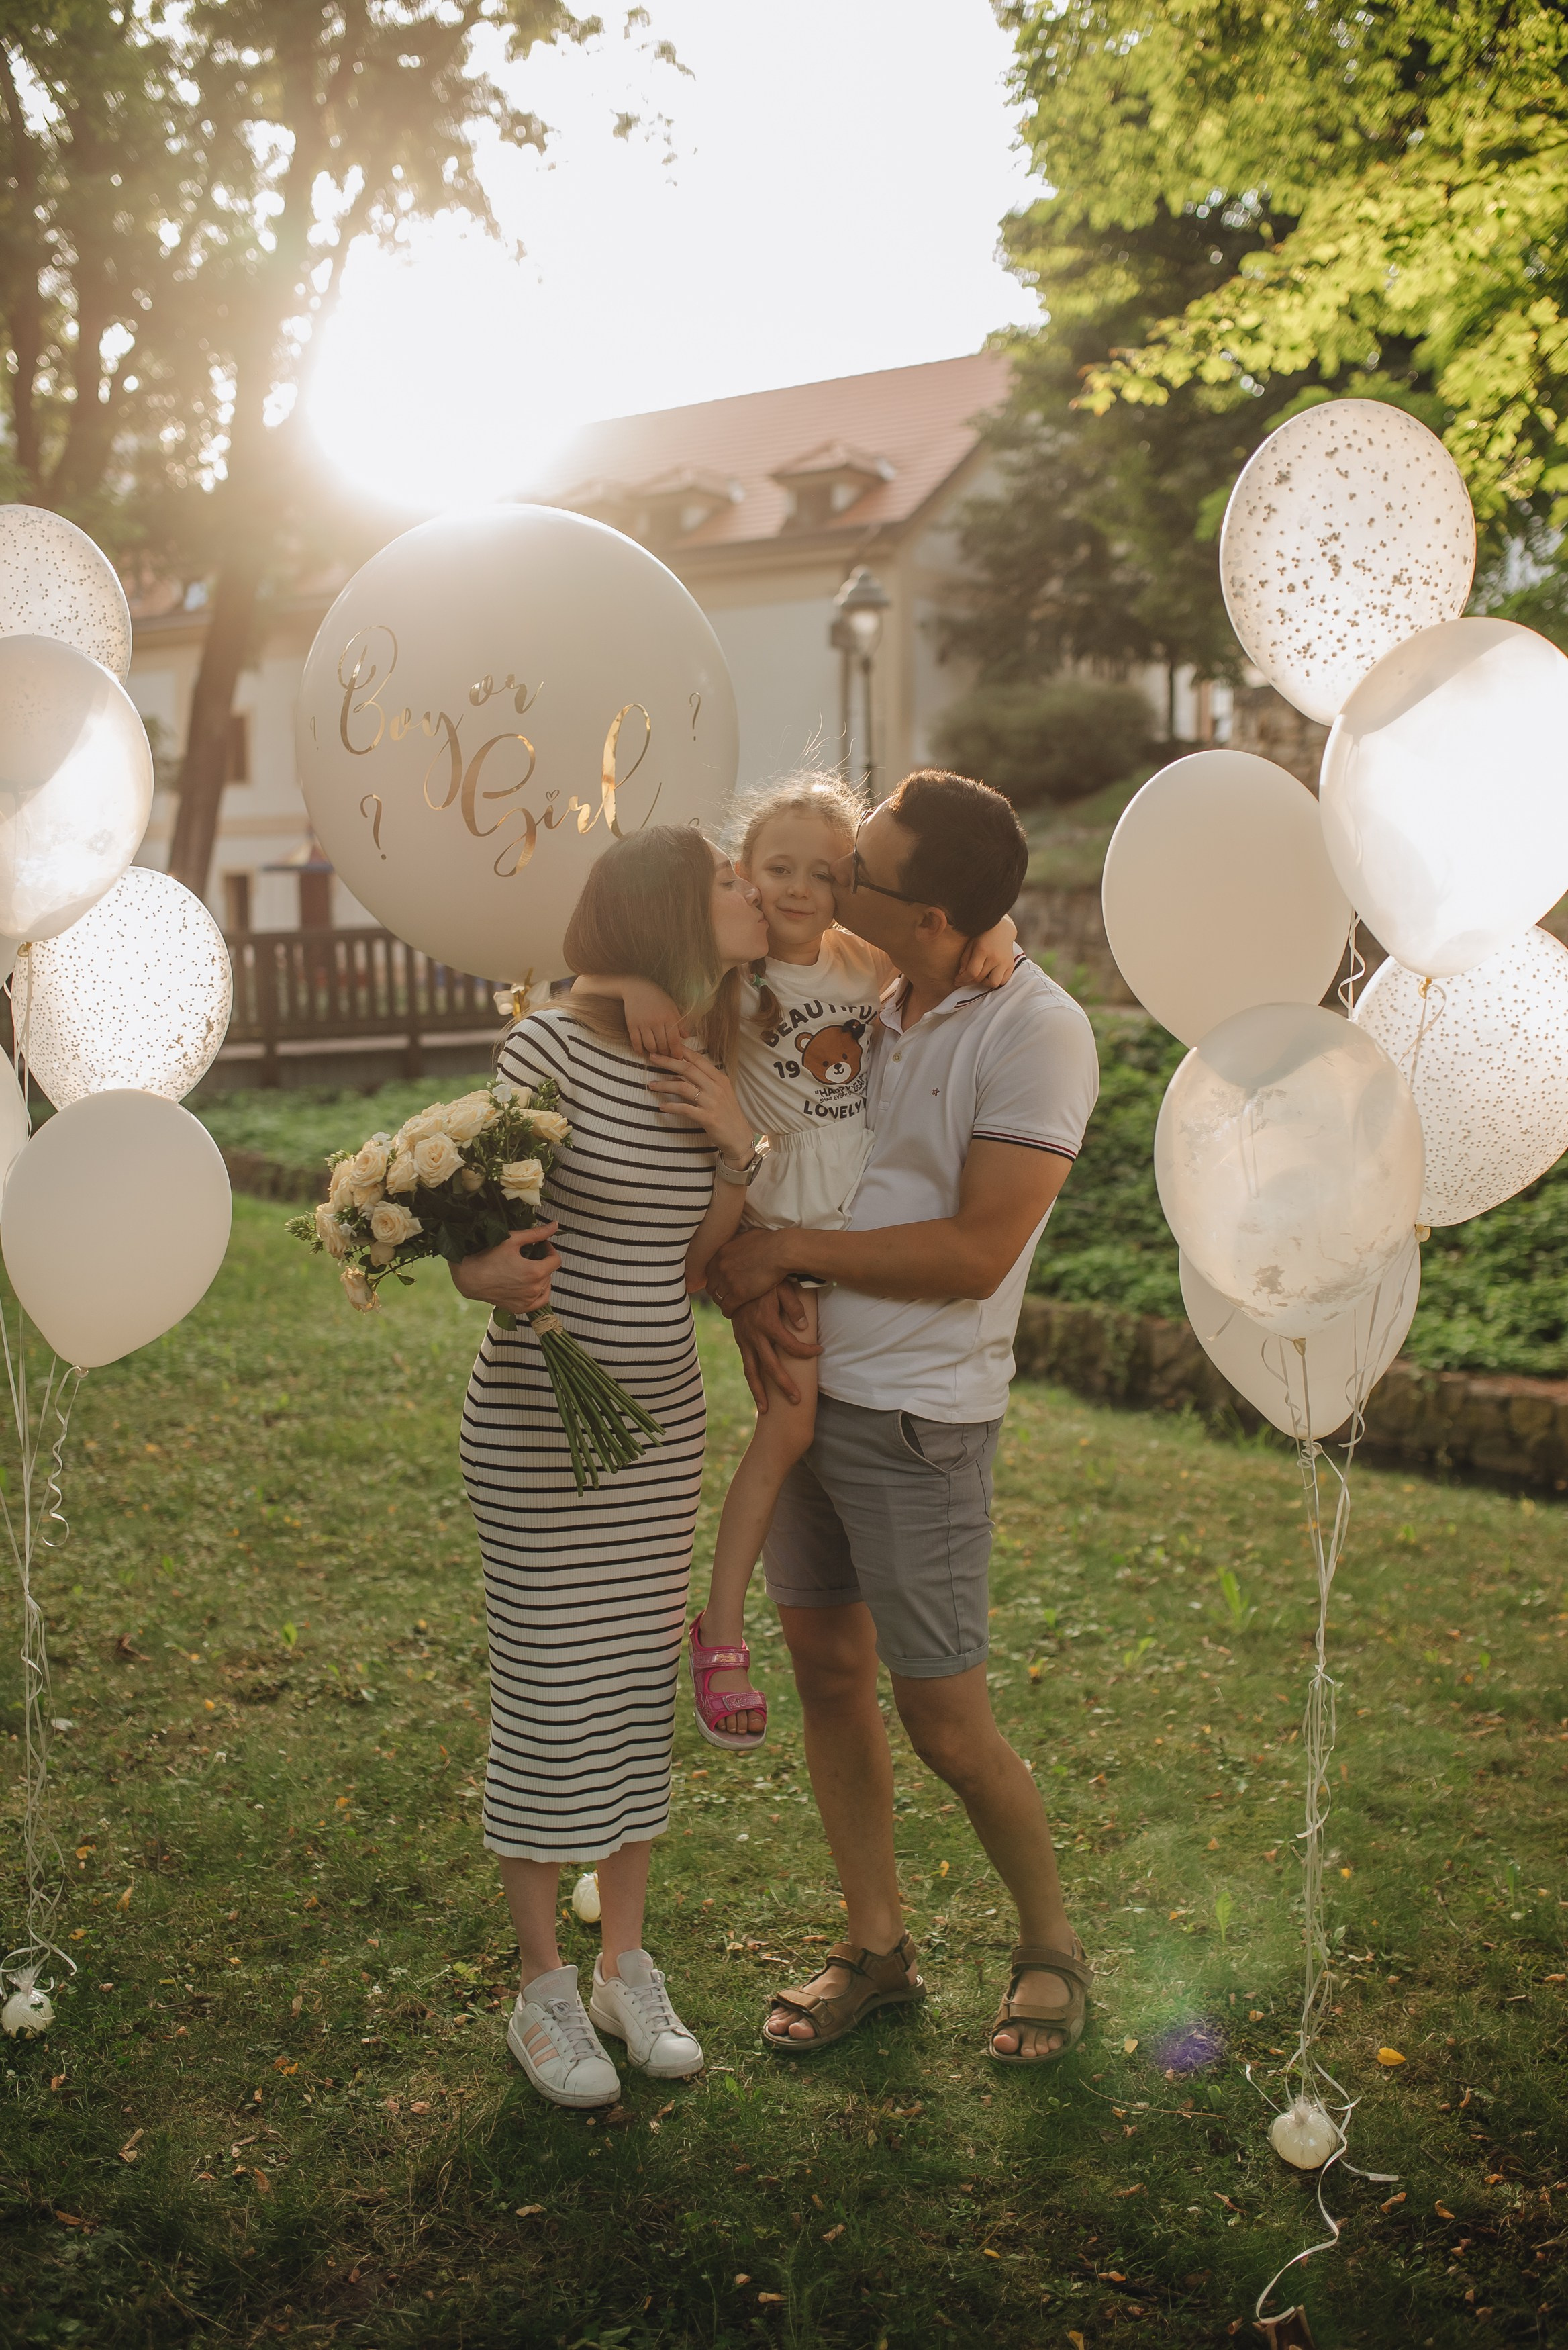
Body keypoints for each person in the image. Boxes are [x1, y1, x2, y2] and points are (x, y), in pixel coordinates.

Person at [703, 770, 1101, 2067]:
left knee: (945, 1720)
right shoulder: (879, 994)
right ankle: (877, 1948)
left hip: (920, 1416)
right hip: (806, 1393)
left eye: (862, 868)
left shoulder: (1035, 1032)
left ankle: (1049, 1948)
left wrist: (787, 1256)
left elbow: (981, 1248)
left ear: (929, 915)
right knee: (827, 1675)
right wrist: (756, 1273)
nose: (837, 878)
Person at [587, 774, 1016, 1752]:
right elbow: (595, 972)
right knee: (785, 1434)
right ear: (743, 870)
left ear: (850, 885)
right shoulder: (725, 971)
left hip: (841, 1221)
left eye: (824, 874)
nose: (795, 889)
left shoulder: (864, 962)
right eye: (774, 868)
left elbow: (948, 922)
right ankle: (723, 1629)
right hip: (771, 1219)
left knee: (791, 1428)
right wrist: (641, 984)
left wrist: (1004, 933)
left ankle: (726, 1620)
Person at [452, 825, 767, 2108]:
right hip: (542, 1427)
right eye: (730, 883)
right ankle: (540, 1992)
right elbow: (477, 1232)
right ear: (665, 912)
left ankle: (623, 1968)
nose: (753, 894)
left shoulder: (700, 1050)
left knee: (635, 1689)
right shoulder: (548, 1049)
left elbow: (695, 1259)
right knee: (547, 1692)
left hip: (658, 1434)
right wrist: (483, 1272)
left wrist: (740, 1143)